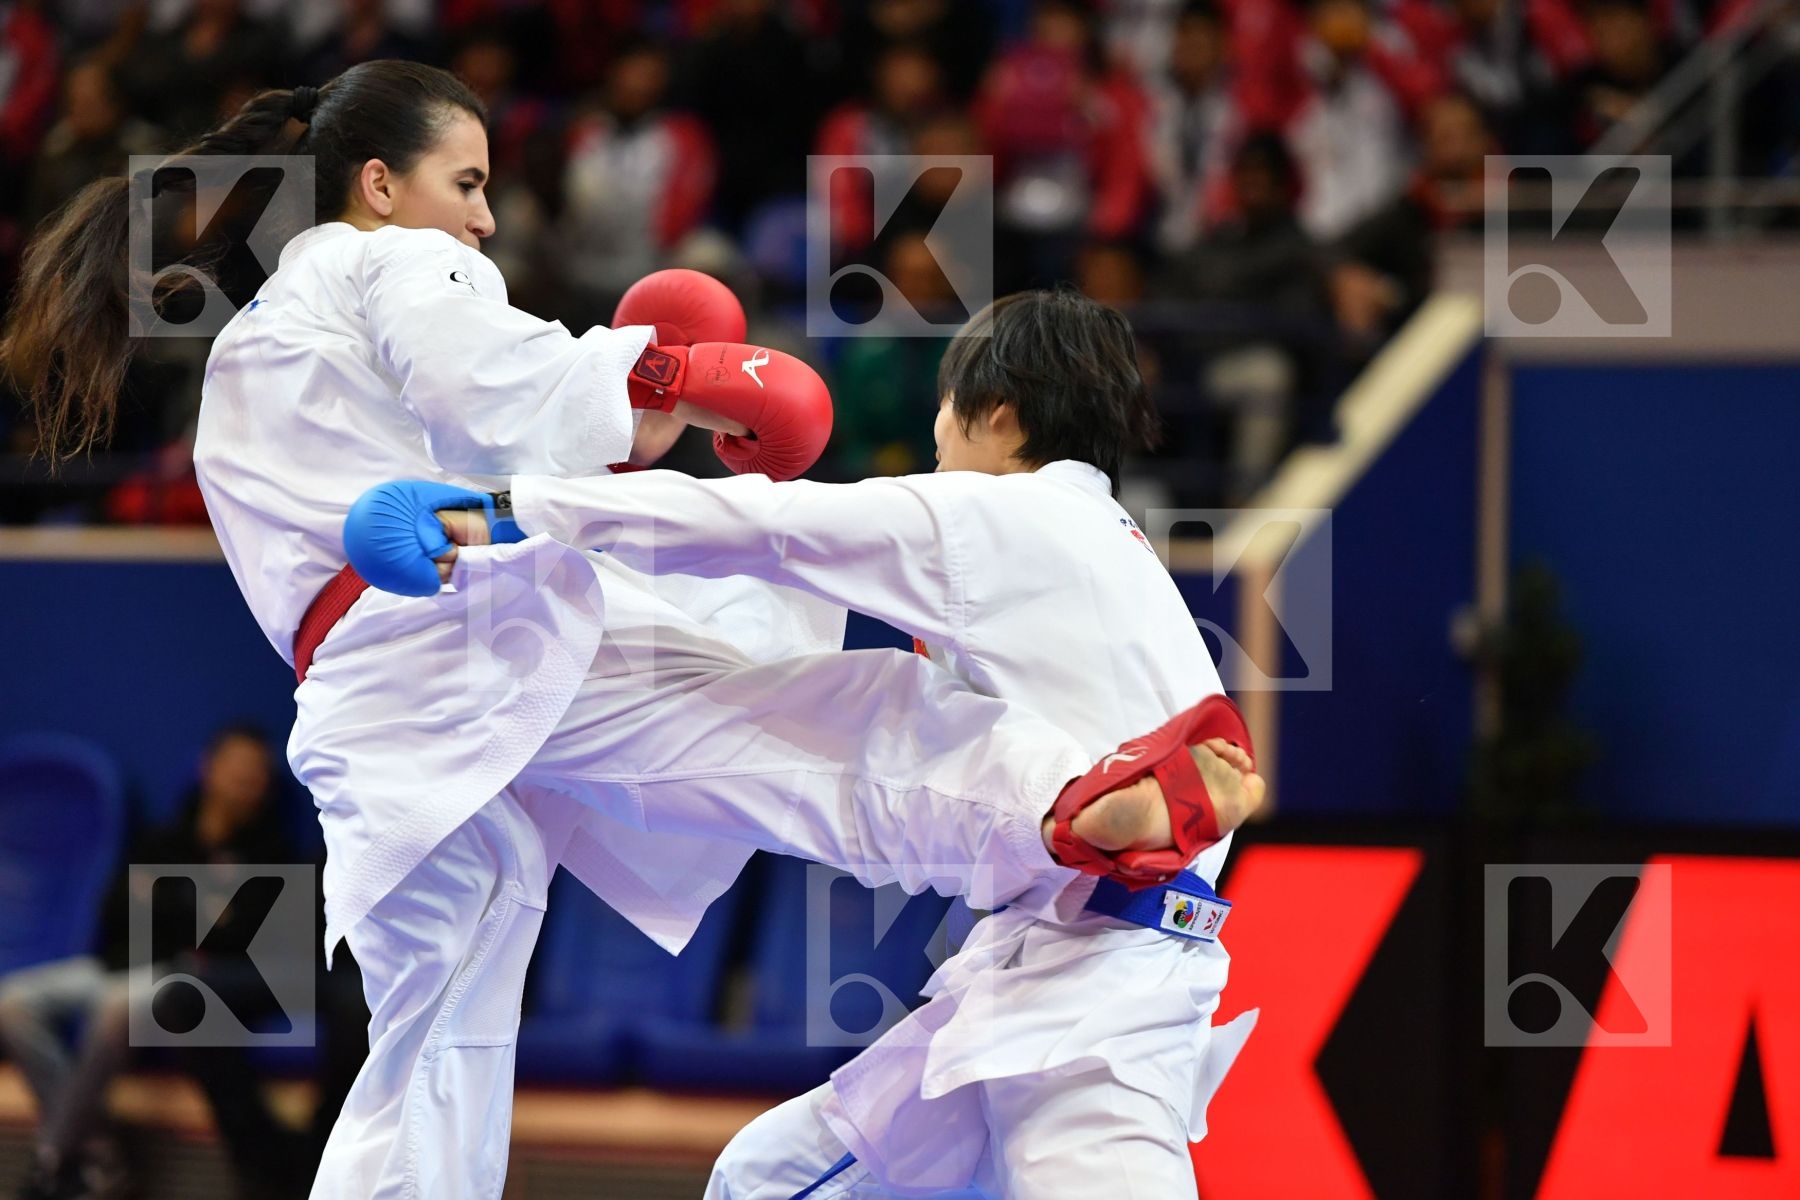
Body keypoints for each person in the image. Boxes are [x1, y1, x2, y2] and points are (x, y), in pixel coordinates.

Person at [0, 60, 1260, 1199]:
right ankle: (1078, 800)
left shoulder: (244, 361)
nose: (487, 219)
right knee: (814, 717)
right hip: (486, 638)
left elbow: (481, 424)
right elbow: (504, 388)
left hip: (374, 721)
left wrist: (621, 415)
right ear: (380, 185)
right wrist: (659, 378)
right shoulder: (389, 260)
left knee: (434, 1039)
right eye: (468, 182)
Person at [362, 288, 1266, 1199]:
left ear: (998, 413)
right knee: (763, 1182)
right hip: (1059, 960)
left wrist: (508, 509)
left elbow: (762, 530)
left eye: (946, 415)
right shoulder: (1115, 546)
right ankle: (1109, 816)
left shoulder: (998, 515)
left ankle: (1111, 819)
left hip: (1104, 999)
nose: (938, 441)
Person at [0, 724, 290, 1200]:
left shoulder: (269, 855)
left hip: (178, 976)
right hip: (115, 962)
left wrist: (165, 902)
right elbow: (116, 910)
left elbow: (239, 941)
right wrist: (197, 909)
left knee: (118, 1007)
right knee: (12, 1001)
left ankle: (50, 1159)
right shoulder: (163, 838)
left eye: (256, 774)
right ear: (208, 769)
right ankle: (95, 1152)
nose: (245, 782)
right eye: (236, 769)